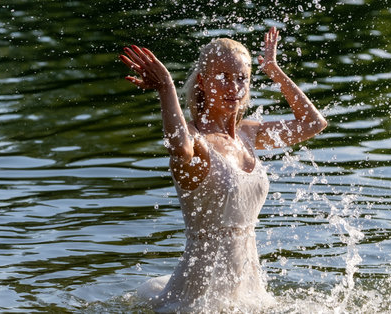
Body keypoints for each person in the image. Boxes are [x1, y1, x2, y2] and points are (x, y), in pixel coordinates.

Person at [119, 27, 327, 313]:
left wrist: (273, 69)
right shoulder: (196, 140)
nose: (234, 88)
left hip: (250, 291)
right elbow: (178, 146)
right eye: (223, 78)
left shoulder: (247, 135)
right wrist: (166, 86)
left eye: (241, 78)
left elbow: (312, 124)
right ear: (202, 82)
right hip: (196, 299)